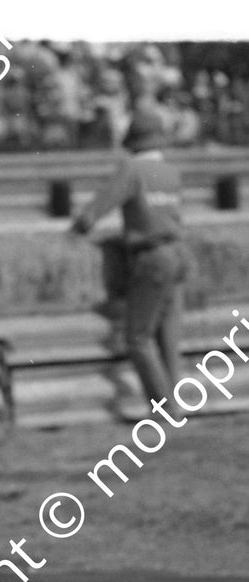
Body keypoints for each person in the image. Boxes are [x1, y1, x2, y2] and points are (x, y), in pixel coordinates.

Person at [69, 107, 188, 407]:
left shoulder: (132, 170)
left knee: (138, 337)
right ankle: (175, 404)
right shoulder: (171, 172)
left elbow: (100, 206)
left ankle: (163, 406)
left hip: (151, 257)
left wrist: (79, 228)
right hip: (177, 253)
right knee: (168, 337)